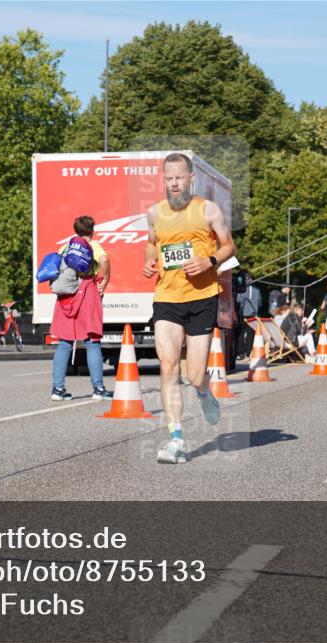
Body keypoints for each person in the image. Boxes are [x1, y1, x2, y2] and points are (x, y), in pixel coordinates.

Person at [143, 153, 235, 464]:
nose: (174, 183)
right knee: (168, 368)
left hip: (201, 296)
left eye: (179, 177)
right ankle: (176, 440)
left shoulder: (208, 210)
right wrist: (148, 259)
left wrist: (209, 261)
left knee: (195, 376)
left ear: (191, 177)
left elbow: (228, 246)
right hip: (167, 297)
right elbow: (151, 242)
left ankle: (205, 392)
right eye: (168, 178)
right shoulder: (155, 213)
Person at [50, 216, 113, 401]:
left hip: (67, 294)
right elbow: (104, 260)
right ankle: (98, 389)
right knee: (92, 341)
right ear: (92, 230)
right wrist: (106, 279)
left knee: (64, 342)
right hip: (87, 292)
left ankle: (58, 389)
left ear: (76, 229)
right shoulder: (93, 245)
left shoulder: (66, 246)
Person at [235, 271, 261, 359]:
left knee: (242, 334)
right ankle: (247, 352)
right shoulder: (257, 290)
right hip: (251, 314)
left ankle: (241, 353)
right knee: (248, 334)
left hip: (243, 314)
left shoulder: (241, 290)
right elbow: (259, 303)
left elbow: (238, 302)